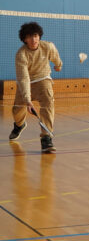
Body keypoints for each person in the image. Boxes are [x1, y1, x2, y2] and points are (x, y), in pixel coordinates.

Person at [9, 22, 62, 153]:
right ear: (24, 39)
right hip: (27, 82)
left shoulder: (48, 47)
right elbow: (23, 78)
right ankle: (19, 125)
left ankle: (46, 138)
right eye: (29, 37)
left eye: (35, 35)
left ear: (39, 36)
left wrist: (58, 65)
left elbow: (55, 57)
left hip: (43, 78)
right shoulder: (21, 54)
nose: (33, 39)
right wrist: (27, 100)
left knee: (48, 102)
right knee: (17, 110)